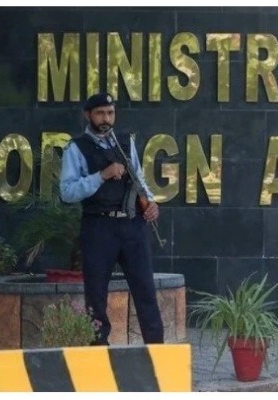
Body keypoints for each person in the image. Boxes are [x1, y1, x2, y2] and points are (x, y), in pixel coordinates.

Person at [60, 92, 164, 345]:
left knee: (145, 290)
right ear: (88, 115)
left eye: (110, 113)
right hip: (99, 227)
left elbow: (139, 180)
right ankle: (98, 351)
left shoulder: (125, 143)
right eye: (100, 113)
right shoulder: (77, 148)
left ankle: (156, 351)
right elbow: (67, 192)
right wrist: (101, 175)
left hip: (133, 225)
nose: (106, 119)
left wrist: (151, 203)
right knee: (96, 294)